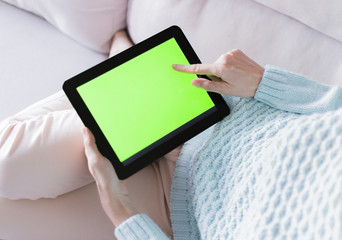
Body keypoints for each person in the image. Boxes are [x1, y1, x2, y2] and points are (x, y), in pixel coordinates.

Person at [1, 30, 341, 239]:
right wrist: (263, 81)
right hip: (211, 119)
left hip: (176, 211)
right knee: (6, 163)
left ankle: (121, 66)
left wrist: (127, 219)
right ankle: (124, 73)